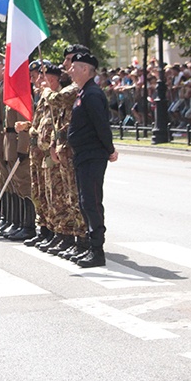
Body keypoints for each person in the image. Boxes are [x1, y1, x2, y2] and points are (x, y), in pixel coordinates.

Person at [67, 52, 118, 268]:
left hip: (92, 155)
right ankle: (90, 246)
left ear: (86, 70)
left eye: (74, 67)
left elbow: (101, 125)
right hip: (83, 155)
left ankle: (97, 251)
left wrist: (110, 149)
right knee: (84, 202)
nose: (70, 70)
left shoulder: (92, 94)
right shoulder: (83, 93)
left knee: (92, 202)